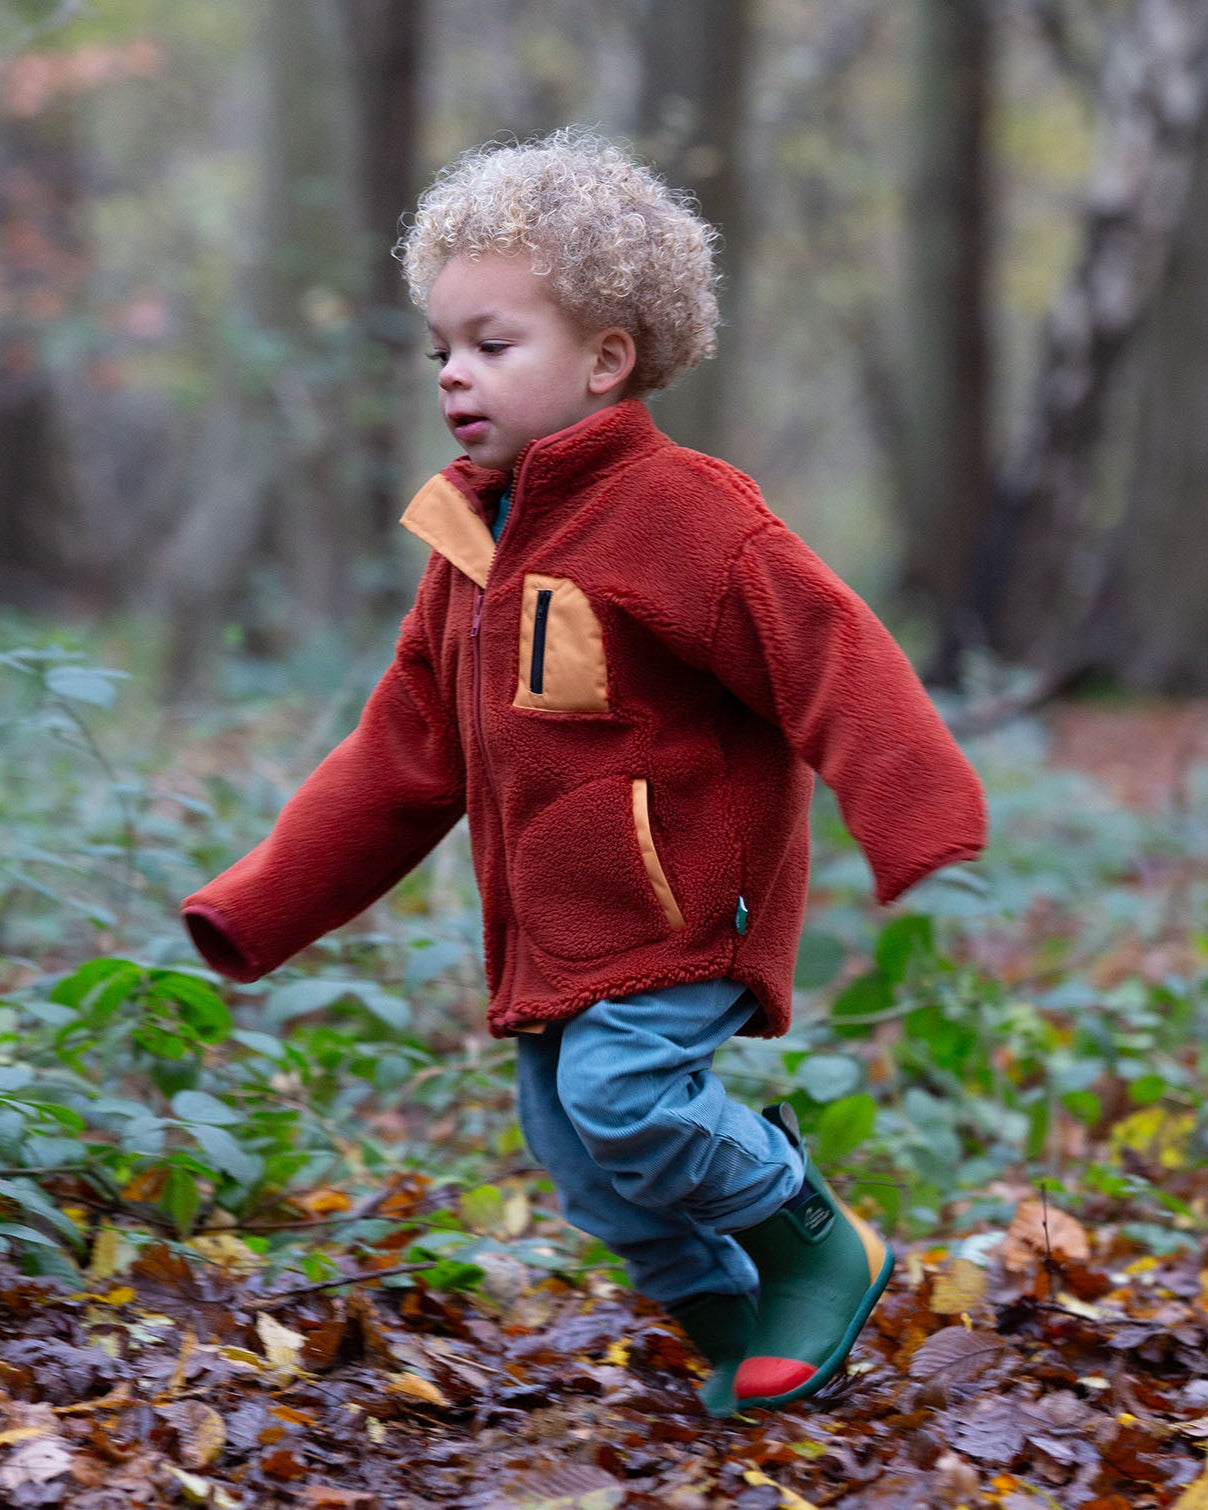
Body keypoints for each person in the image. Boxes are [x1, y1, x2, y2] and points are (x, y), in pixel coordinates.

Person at [181, 129, 986, 1417]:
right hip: (555, 931)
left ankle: (814, 1246)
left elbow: (826, 649)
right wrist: (261, 901)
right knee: (574, 1149)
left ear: (607, 358)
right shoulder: (468, 551)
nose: (455, 373)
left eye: (493, 344)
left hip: (685, 901)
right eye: (442, 349)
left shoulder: (684, 512)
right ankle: (733, 1320)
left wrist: (914, 809)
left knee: (623, 1094)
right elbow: (402, 755)